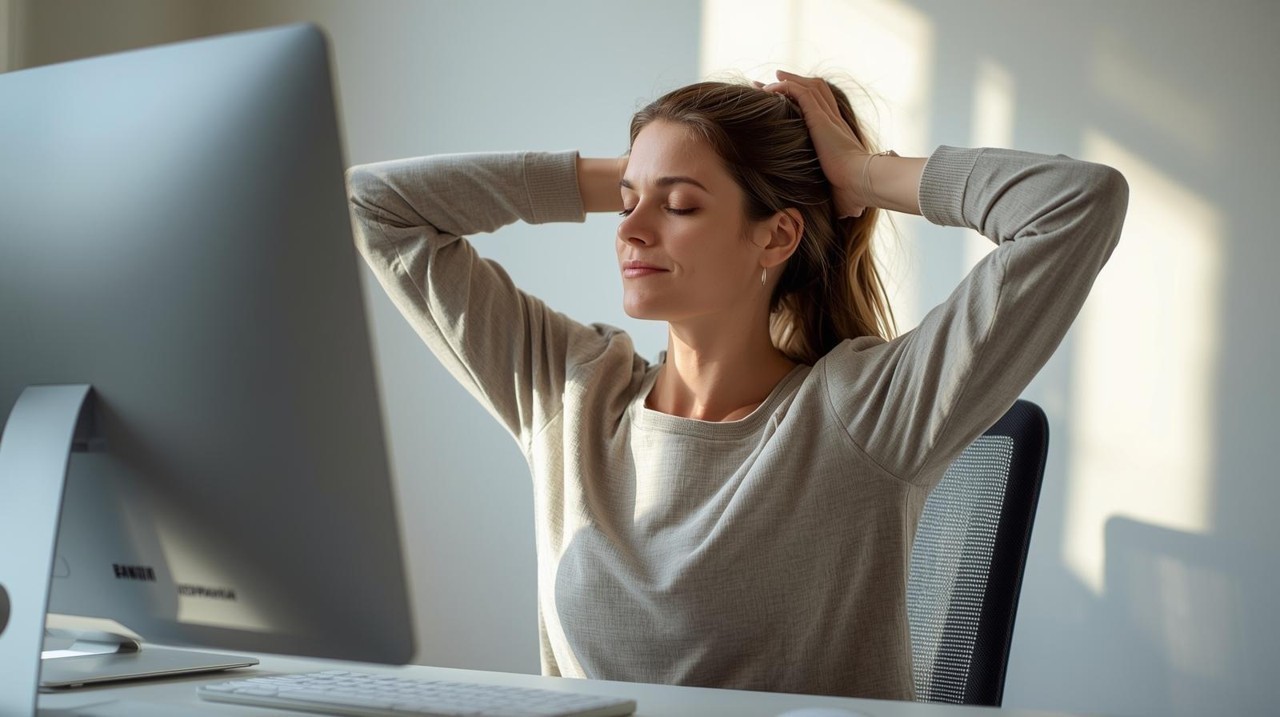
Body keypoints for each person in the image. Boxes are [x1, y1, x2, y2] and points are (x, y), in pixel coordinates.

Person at [345, 70, 1128, 701]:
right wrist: (630, 170)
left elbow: (1076, 204)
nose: (630, 229)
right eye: (626, 202)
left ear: (777, 234)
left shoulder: (865, 412)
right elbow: (376, 206)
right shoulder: (572, 392)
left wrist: (856, 175)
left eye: (679, 203)